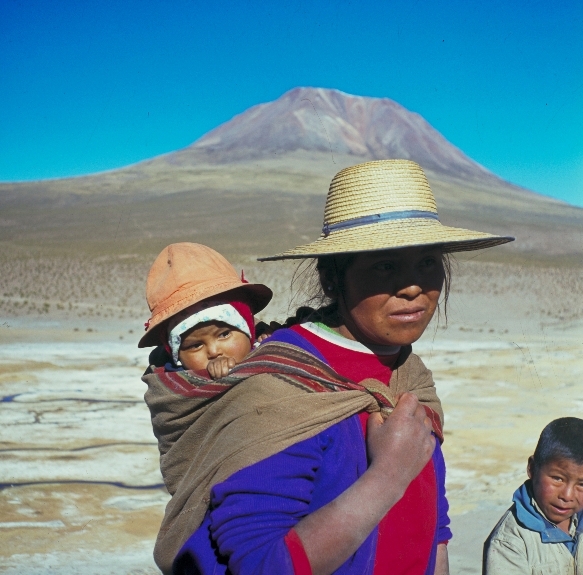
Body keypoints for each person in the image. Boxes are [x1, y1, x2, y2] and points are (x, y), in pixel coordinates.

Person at [142, 159, 513, 575]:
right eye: (385, 265)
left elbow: (433, 528)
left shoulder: (408, 374)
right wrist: (388, 477)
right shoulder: (280, 388)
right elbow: (262, 565)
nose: (413, 286)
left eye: (427, 262)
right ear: (332, 278)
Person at [138, 242, 273, 378]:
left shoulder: (274, 351)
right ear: (176, 355)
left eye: (224, 334)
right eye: (196, 345)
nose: (214, 352)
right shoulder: (170, 380)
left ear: (250, 330)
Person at [483, 417, 583, 574]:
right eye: (557, 478)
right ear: (532, 468)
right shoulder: (510, 542)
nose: (567, 495)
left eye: (581, 485)